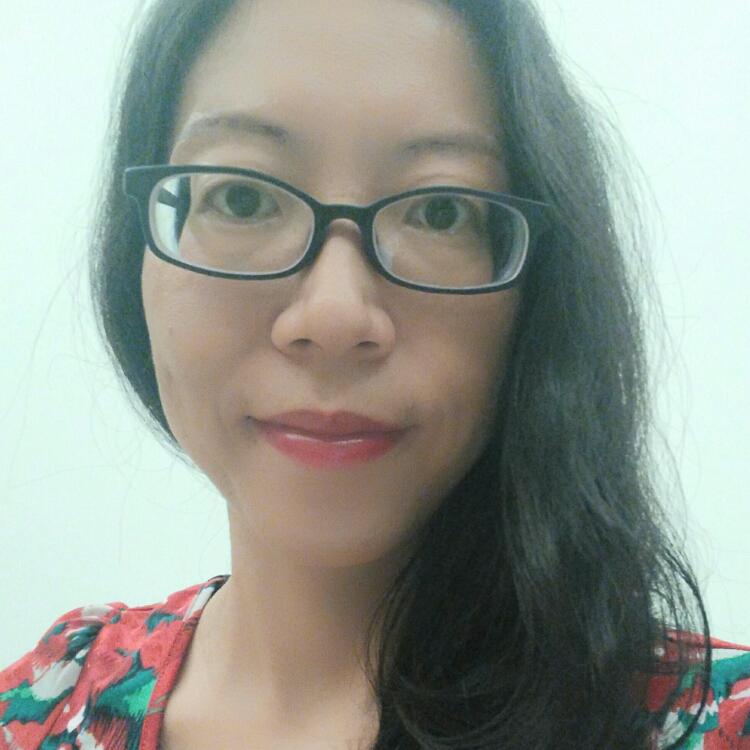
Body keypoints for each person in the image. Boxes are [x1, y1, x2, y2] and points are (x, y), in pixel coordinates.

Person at [1, 0, 748, 748]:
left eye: (441, 212)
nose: (334, 315)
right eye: (241, 197)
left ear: (540, 290)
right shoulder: (46, 708)